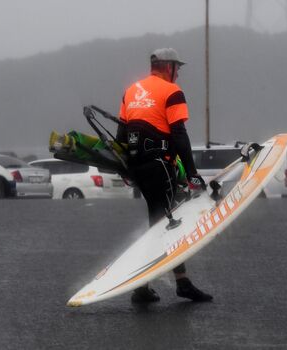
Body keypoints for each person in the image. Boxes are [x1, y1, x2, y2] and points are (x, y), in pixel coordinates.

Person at [116, 48, 213, 304]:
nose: (178, 72)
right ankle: (177, 283)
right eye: (177, 67)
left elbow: (121, 137)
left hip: (139, 167)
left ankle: (147, 285)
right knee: (169, 223)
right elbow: (179, 135)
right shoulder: (171, 92)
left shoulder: (131, 91)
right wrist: (192, 174)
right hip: (161, 166)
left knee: (159, 220)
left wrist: (124, 169)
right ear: (168, 66)